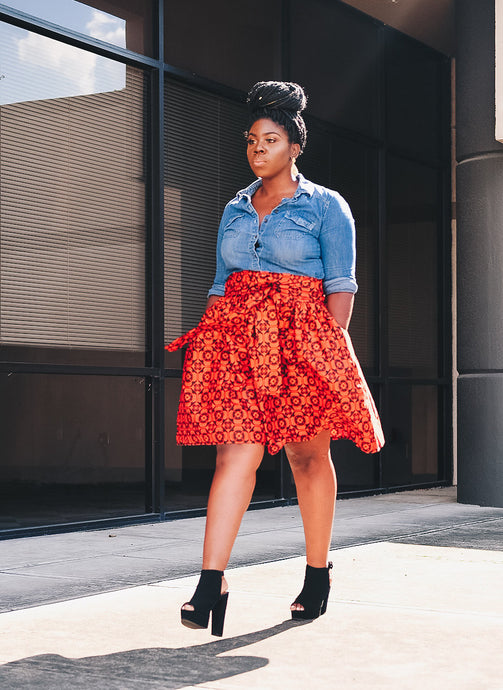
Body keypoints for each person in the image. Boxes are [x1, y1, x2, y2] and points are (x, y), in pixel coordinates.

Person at [166, 81, 384, 637]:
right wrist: (211, 351)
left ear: (295, 147)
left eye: (270, 139)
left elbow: (341, 288)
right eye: (251, 140)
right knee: (233, 458)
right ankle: (210, 583)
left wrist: (323, 355)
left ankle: (317, 574)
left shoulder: (326, 206)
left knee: (307, 459)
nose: (258, 149)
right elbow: (220, 286)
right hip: (237, 344)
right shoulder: (234, 209)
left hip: (302, 344)